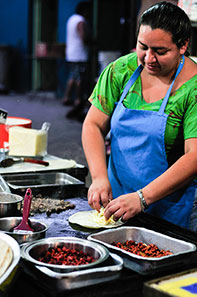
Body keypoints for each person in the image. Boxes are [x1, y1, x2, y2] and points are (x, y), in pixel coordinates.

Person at [82, 2, 197, 231]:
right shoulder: (120, 71)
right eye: (143, 47)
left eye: (160, 52)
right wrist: (99, 177)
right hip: (119, 202)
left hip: (172, 208)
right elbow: (93, 124)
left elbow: (194, 156)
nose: (148, 59)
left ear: (183, 46)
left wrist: (142, 198)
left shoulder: (192, 88)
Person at [63, 1, 91, 121]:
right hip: (79, 53)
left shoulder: (71, 19)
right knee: (79, 77)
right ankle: (78, 99)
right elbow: (83, 36)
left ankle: (66, 97)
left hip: (71, 53)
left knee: (72, 76)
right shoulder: (80, 20)